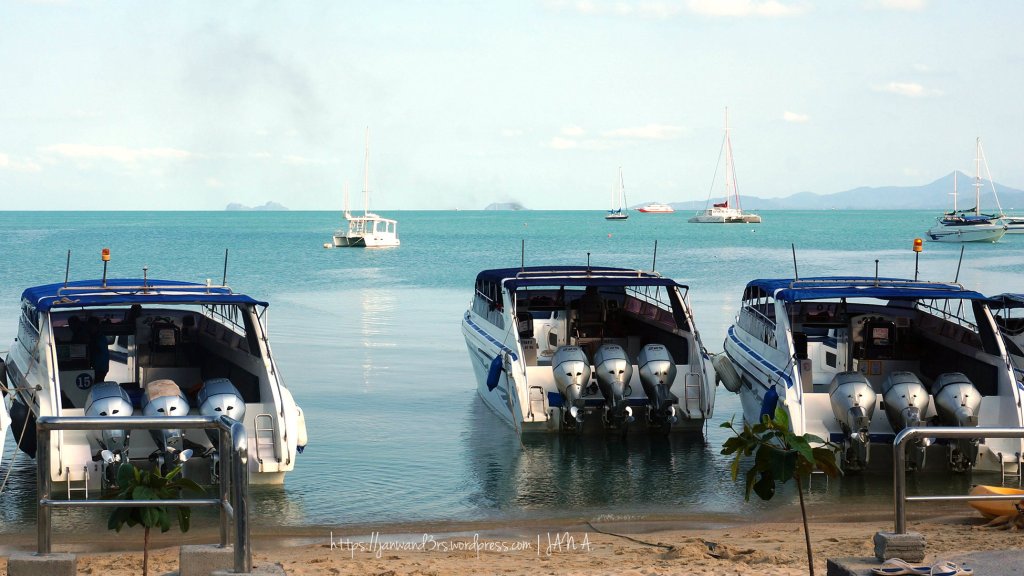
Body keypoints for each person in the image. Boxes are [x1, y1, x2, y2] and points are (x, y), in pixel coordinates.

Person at [87, 316, 110, 383]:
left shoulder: (100, 337)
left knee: (98, 384)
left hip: (100, 368)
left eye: (91, 326)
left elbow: (98, 349)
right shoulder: (95, 336)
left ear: (96, 326)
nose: (90, 328)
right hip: (98, 367)